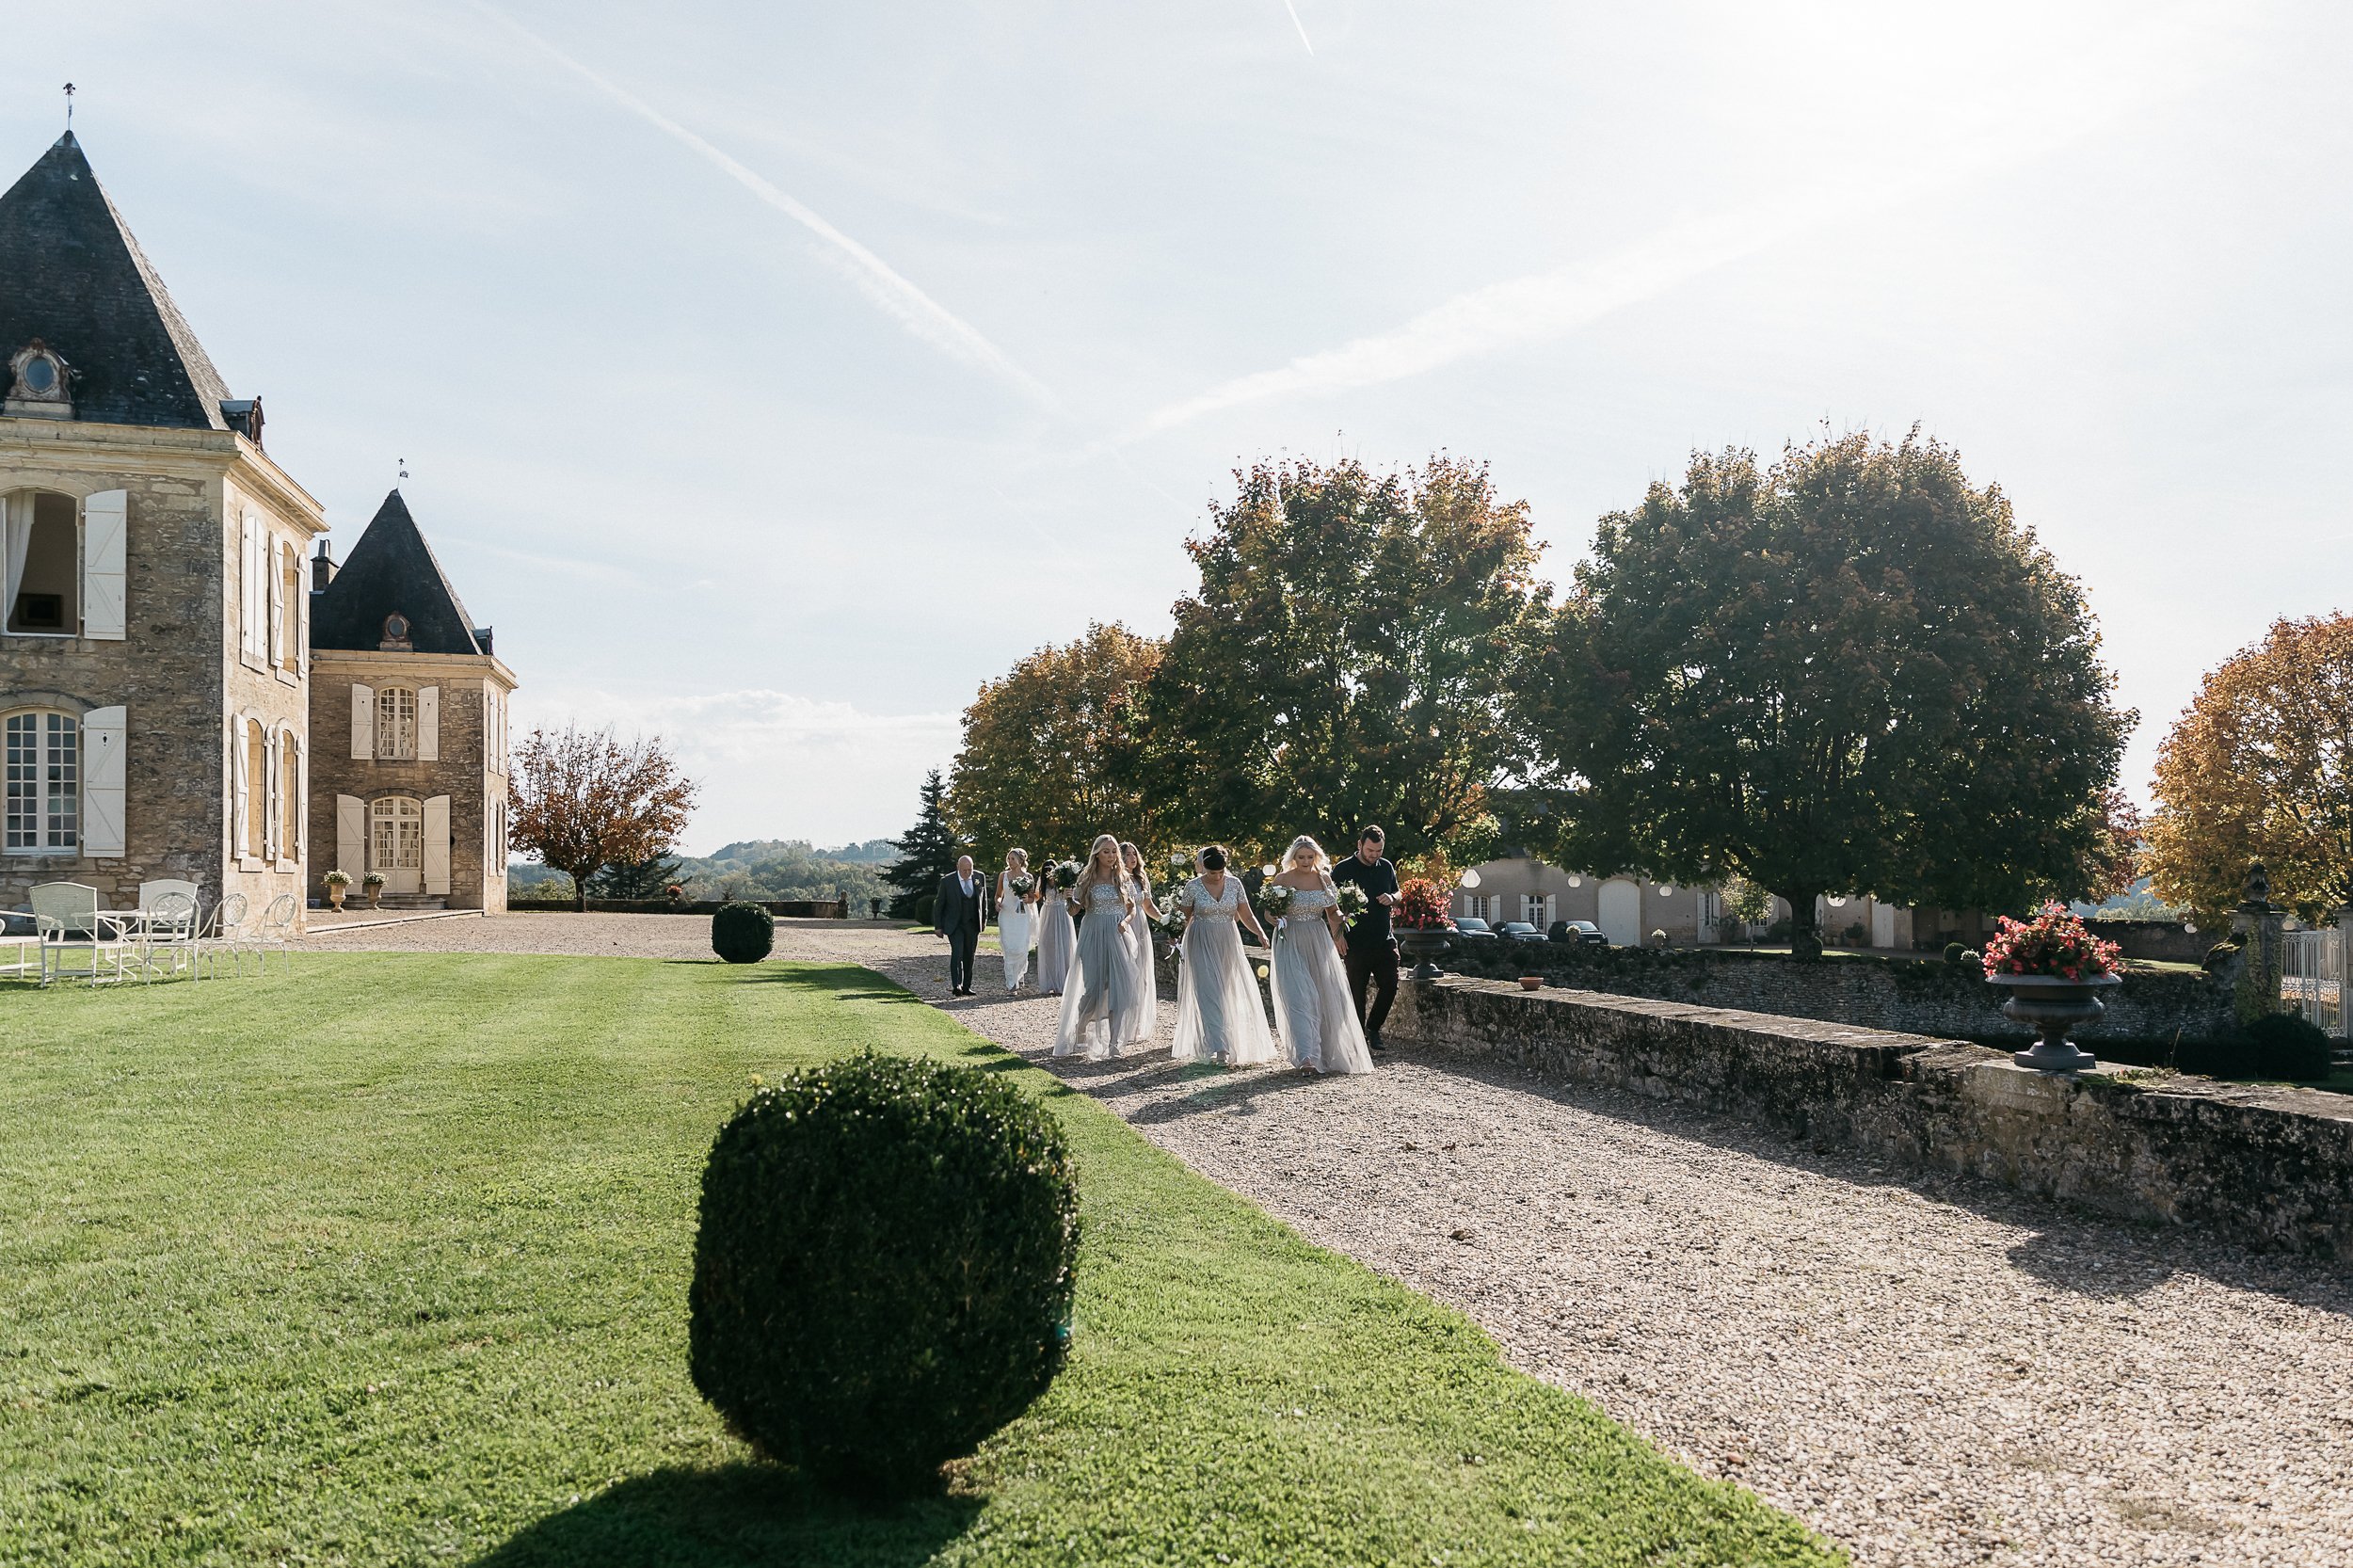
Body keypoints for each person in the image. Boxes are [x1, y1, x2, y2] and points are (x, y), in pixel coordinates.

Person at [1265, 835, 1375, 1075]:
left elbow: (1332, 912)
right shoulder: (1282, 879)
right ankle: (1306, 1057)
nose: (1305, 861)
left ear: (1316, 856)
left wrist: (1341, 926)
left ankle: (1326, 1051)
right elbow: (1269, 911)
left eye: (1310, 857)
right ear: (1293, 857)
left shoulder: (1324, 879)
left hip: (1318, 939)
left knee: (1324, 994)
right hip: (1290, 940)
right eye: (1301, 857)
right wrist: (1272, 918)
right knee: (1300, 997)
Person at [1170, 844, 1280, 1066]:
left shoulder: (1234, 884)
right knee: (1208, 991)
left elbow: (1246, 914)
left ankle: (1227, 1039)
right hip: (1200, 939)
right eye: (1212, 873)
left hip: (1228, 940)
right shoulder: (1193, 887)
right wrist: (1175, 935)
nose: (1217, 876)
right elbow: (1184, 917)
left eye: (1221, 872)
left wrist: (1260, 933)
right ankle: (1217, 1047)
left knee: (1225, 990)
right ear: (1204, 869)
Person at [1053, 835, 1146, 1059]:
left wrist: (1125, 921)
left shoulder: (1123, 878)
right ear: (1096, 854)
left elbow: (1131, 908)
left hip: (1118, 934)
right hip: (1093, 934)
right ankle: (1081, 1027)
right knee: (1094, 988)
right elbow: (1075, 911)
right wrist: (1069, 899)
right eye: (1106, 851)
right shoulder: (1086, 879)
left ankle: (1114, 1042)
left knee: (1119, 988)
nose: (1111, 856)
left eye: (1114, 851)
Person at [1330, 824, 1401, 1050]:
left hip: (1383, 940)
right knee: (1357, 992)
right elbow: (1331, 907)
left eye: (1379, 851)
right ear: (1360, 845)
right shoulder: (1342, 870)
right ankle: (1359, 1039)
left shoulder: (1386, 867)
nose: (1374, 855)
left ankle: (1374, 1028)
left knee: (1390, 984)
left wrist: (1392, 897)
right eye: (1370, 850)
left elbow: (1398, 891)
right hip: (1355, 942)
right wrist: (1338, 935)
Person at [1118, 840, 1160, 1045]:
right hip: (1123, 926)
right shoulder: (1114, 877)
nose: (1132, 858)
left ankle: (1134, 1026)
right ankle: (1118, 1025)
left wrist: (1166, 921)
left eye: (1134, 854)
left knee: (1141, 976)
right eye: (1126, 855)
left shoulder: (1141, 878)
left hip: (1141, 927)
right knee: (1126, 976)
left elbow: (1148, 905)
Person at [934, 854, 985, 997]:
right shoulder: (947, 881)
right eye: (964, 870)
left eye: (970, 870)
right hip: (954, 924)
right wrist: (938, 926)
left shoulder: (979, 877)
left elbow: (983, 900)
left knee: (970, 955)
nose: (968, 873)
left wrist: (983, 920)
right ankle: (957, 985)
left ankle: (967, 986)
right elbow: (939, 904)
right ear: (958, 868)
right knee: (957, 952)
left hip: (973, 923)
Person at [997, 847, 1038, 994]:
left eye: (1012, 859)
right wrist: (998, 902)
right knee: (1009, 948)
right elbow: (998, 894)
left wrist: (1028, 899)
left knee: (1021, 947)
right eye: (1008, 858)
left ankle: (1019, 975)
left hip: (1022, 916)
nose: (1010, 861)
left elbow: (1033, 897)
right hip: (1007, 914)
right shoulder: (1003, 875)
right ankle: (1011, 983)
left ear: (1021, 860)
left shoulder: (1028, 877)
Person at [1035, 856, 1075, 995]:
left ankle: (1064, 982)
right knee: (1047, 945)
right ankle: (1051, 981)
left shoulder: (1063, 881)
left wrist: (1069, 894)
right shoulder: (1043, 882)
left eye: (1051, 869)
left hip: (1062, 914)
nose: (1049, 872)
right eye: (1046, 869)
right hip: (1048, 914)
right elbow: (1035, 897)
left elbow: (1072, 897)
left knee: (1064, 945)